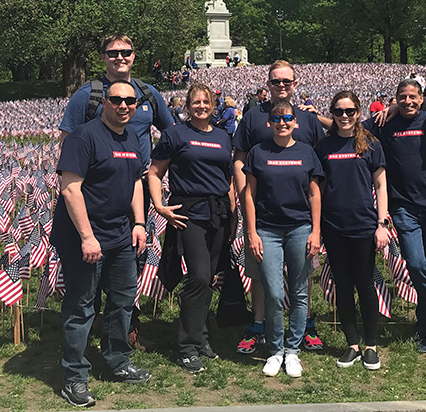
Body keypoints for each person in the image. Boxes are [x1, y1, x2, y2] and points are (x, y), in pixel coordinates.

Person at [58, 34, 173, 347]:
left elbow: (172, 134)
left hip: (136, 190)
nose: (120, 57)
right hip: (93, 194)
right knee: (90, 263)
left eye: (126, 52)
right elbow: (67, 143)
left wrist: (155, 167)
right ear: (103, 57)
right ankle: (88, 326)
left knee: (132, 260)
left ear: (134, 56)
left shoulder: (149, 95)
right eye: (113, 53)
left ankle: (126, 326)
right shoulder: (88, 95)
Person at [52, 80, 150, 406]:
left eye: (130, 101)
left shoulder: (133, 136)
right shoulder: (83, 137)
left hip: (122, 236)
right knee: (81, 307)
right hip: (85, 238)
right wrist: (87, 237)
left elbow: (136, 180)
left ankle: (118, 361)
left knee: (122, 303)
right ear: (104, 101)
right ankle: (74, 376)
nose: (123, 105)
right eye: (116, 99)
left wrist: (138, 222)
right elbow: (70, 189)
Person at [232, 60, 324, 355]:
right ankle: (258, 325)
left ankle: (306, 326)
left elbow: (320, 160)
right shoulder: (252, 117)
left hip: (300, 217)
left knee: (302, 276)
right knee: (262, 276)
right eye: (276, 81)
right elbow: (240, 157)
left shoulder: (309, 120)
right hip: (262, 213)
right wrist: (241, 193)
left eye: (286, 81)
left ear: (295, 84)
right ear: (268, 83)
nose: (281, 86)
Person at [148, 83, 237, 374]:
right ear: (188, 106)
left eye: (206, 102)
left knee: (209, 278)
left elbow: (228, 178)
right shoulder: (175, 134)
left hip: (219, 213)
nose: (201, 106)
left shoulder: (224, 136)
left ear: (214, 106)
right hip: (189, 214)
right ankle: (187, 345)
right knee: (198, 276)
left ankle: (201, 338)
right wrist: (160, 206)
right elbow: (155, 171)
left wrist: (233, 213)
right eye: (196, 102)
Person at [362, 79, 426, 354]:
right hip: (403, 207)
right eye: (402, 97)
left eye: (413, 97)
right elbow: (350, 128)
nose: (408, 101)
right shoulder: (385, 124)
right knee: (417, 265)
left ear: (422, 99)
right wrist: (317, 118)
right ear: (395, 99)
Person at [318, 91, 388, 371]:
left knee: (366, 285)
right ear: (332, 113)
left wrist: (382, 224)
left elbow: (381, 186)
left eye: (350, 111)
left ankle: (371, 345)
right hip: (333, 226)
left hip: (364, 225)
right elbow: (319, 188)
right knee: (343, 286)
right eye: (338, 111)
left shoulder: (371, 144)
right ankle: (352, 344)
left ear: (358, 112)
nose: (344, 116)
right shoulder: (323, 146)